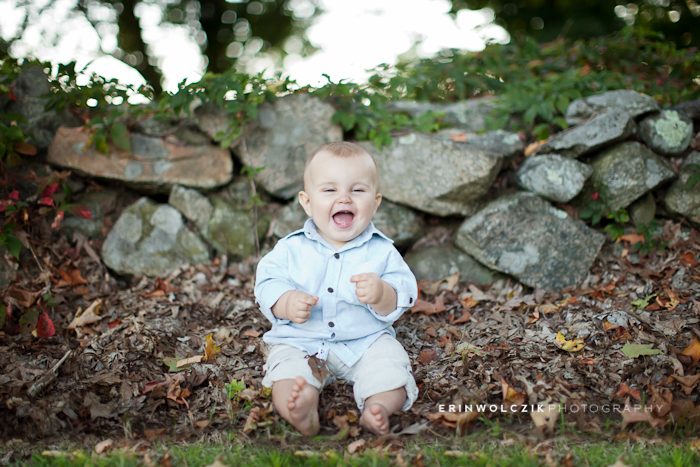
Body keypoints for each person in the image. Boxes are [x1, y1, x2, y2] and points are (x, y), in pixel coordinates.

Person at [254, 141, 419, 436]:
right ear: (307, 202)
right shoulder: (290, 248)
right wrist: (285, 301)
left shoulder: (382, 251)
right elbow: (267, 282)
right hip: (301, 341)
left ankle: (378, 406)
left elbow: (404, 290)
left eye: (357, 190)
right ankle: (300, 406)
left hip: (365, 341)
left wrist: (383, 293)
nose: (344, 198)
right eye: (330, 190)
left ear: (376, 201)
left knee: (390, 363)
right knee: (287, 369)